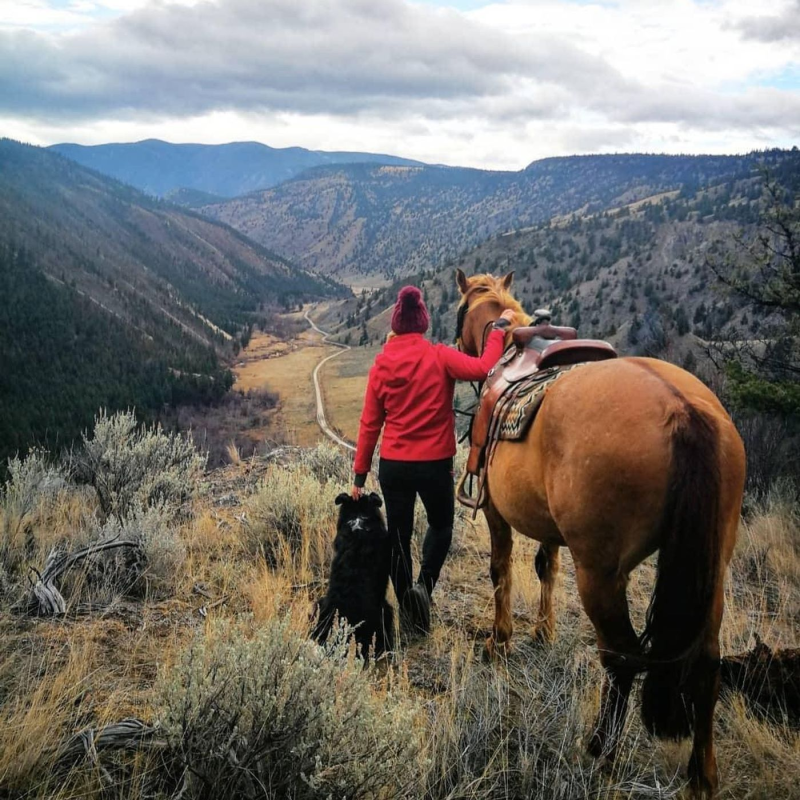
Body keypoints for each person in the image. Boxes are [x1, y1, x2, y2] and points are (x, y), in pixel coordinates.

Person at [351, 285, 514, 634]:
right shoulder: (440, 356)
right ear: (423, 323)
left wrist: (359, 477)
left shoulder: (380, 365)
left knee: (397, 536)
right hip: (435, 464)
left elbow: (369, 424)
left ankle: (409, 608)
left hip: (394, 466)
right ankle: (424, 588)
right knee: (441, 527)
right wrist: (498, 331)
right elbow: (485, 367)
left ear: (395, 324)